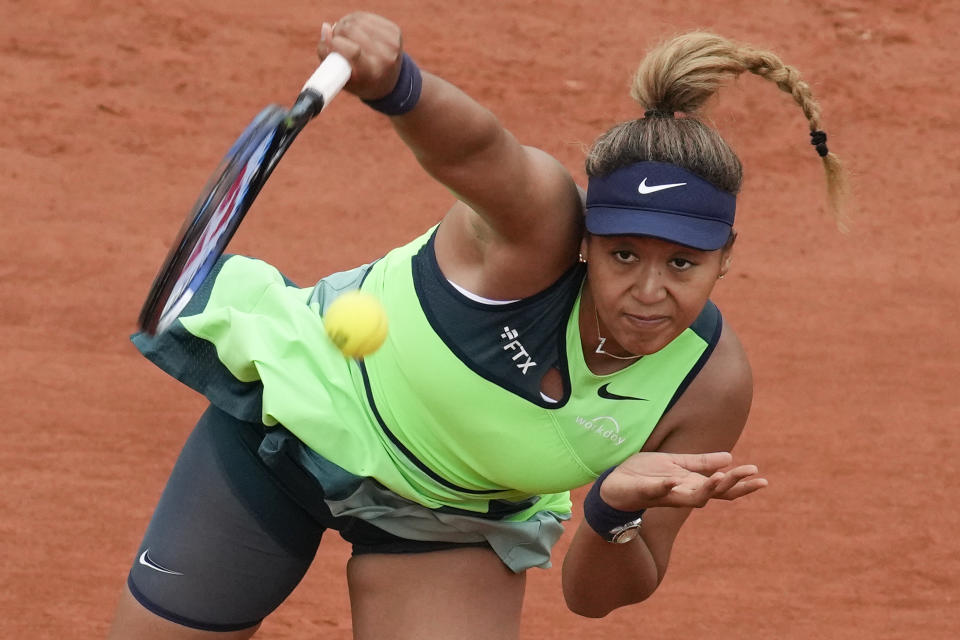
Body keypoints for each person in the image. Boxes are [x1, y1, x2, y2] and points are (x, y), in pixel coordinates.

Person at [107, 11, 845, 640]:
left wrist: (613, 506)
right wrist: (397, 82)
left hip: (452, 517)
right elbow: (479, 150)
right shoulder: (537, 229)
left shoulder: (709, 384)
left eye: (684, 265)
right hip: (294, 427)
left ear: (726, 262)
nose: (649, 291)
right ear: (586, 240)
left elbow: (596, 598)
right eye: (624, 255)